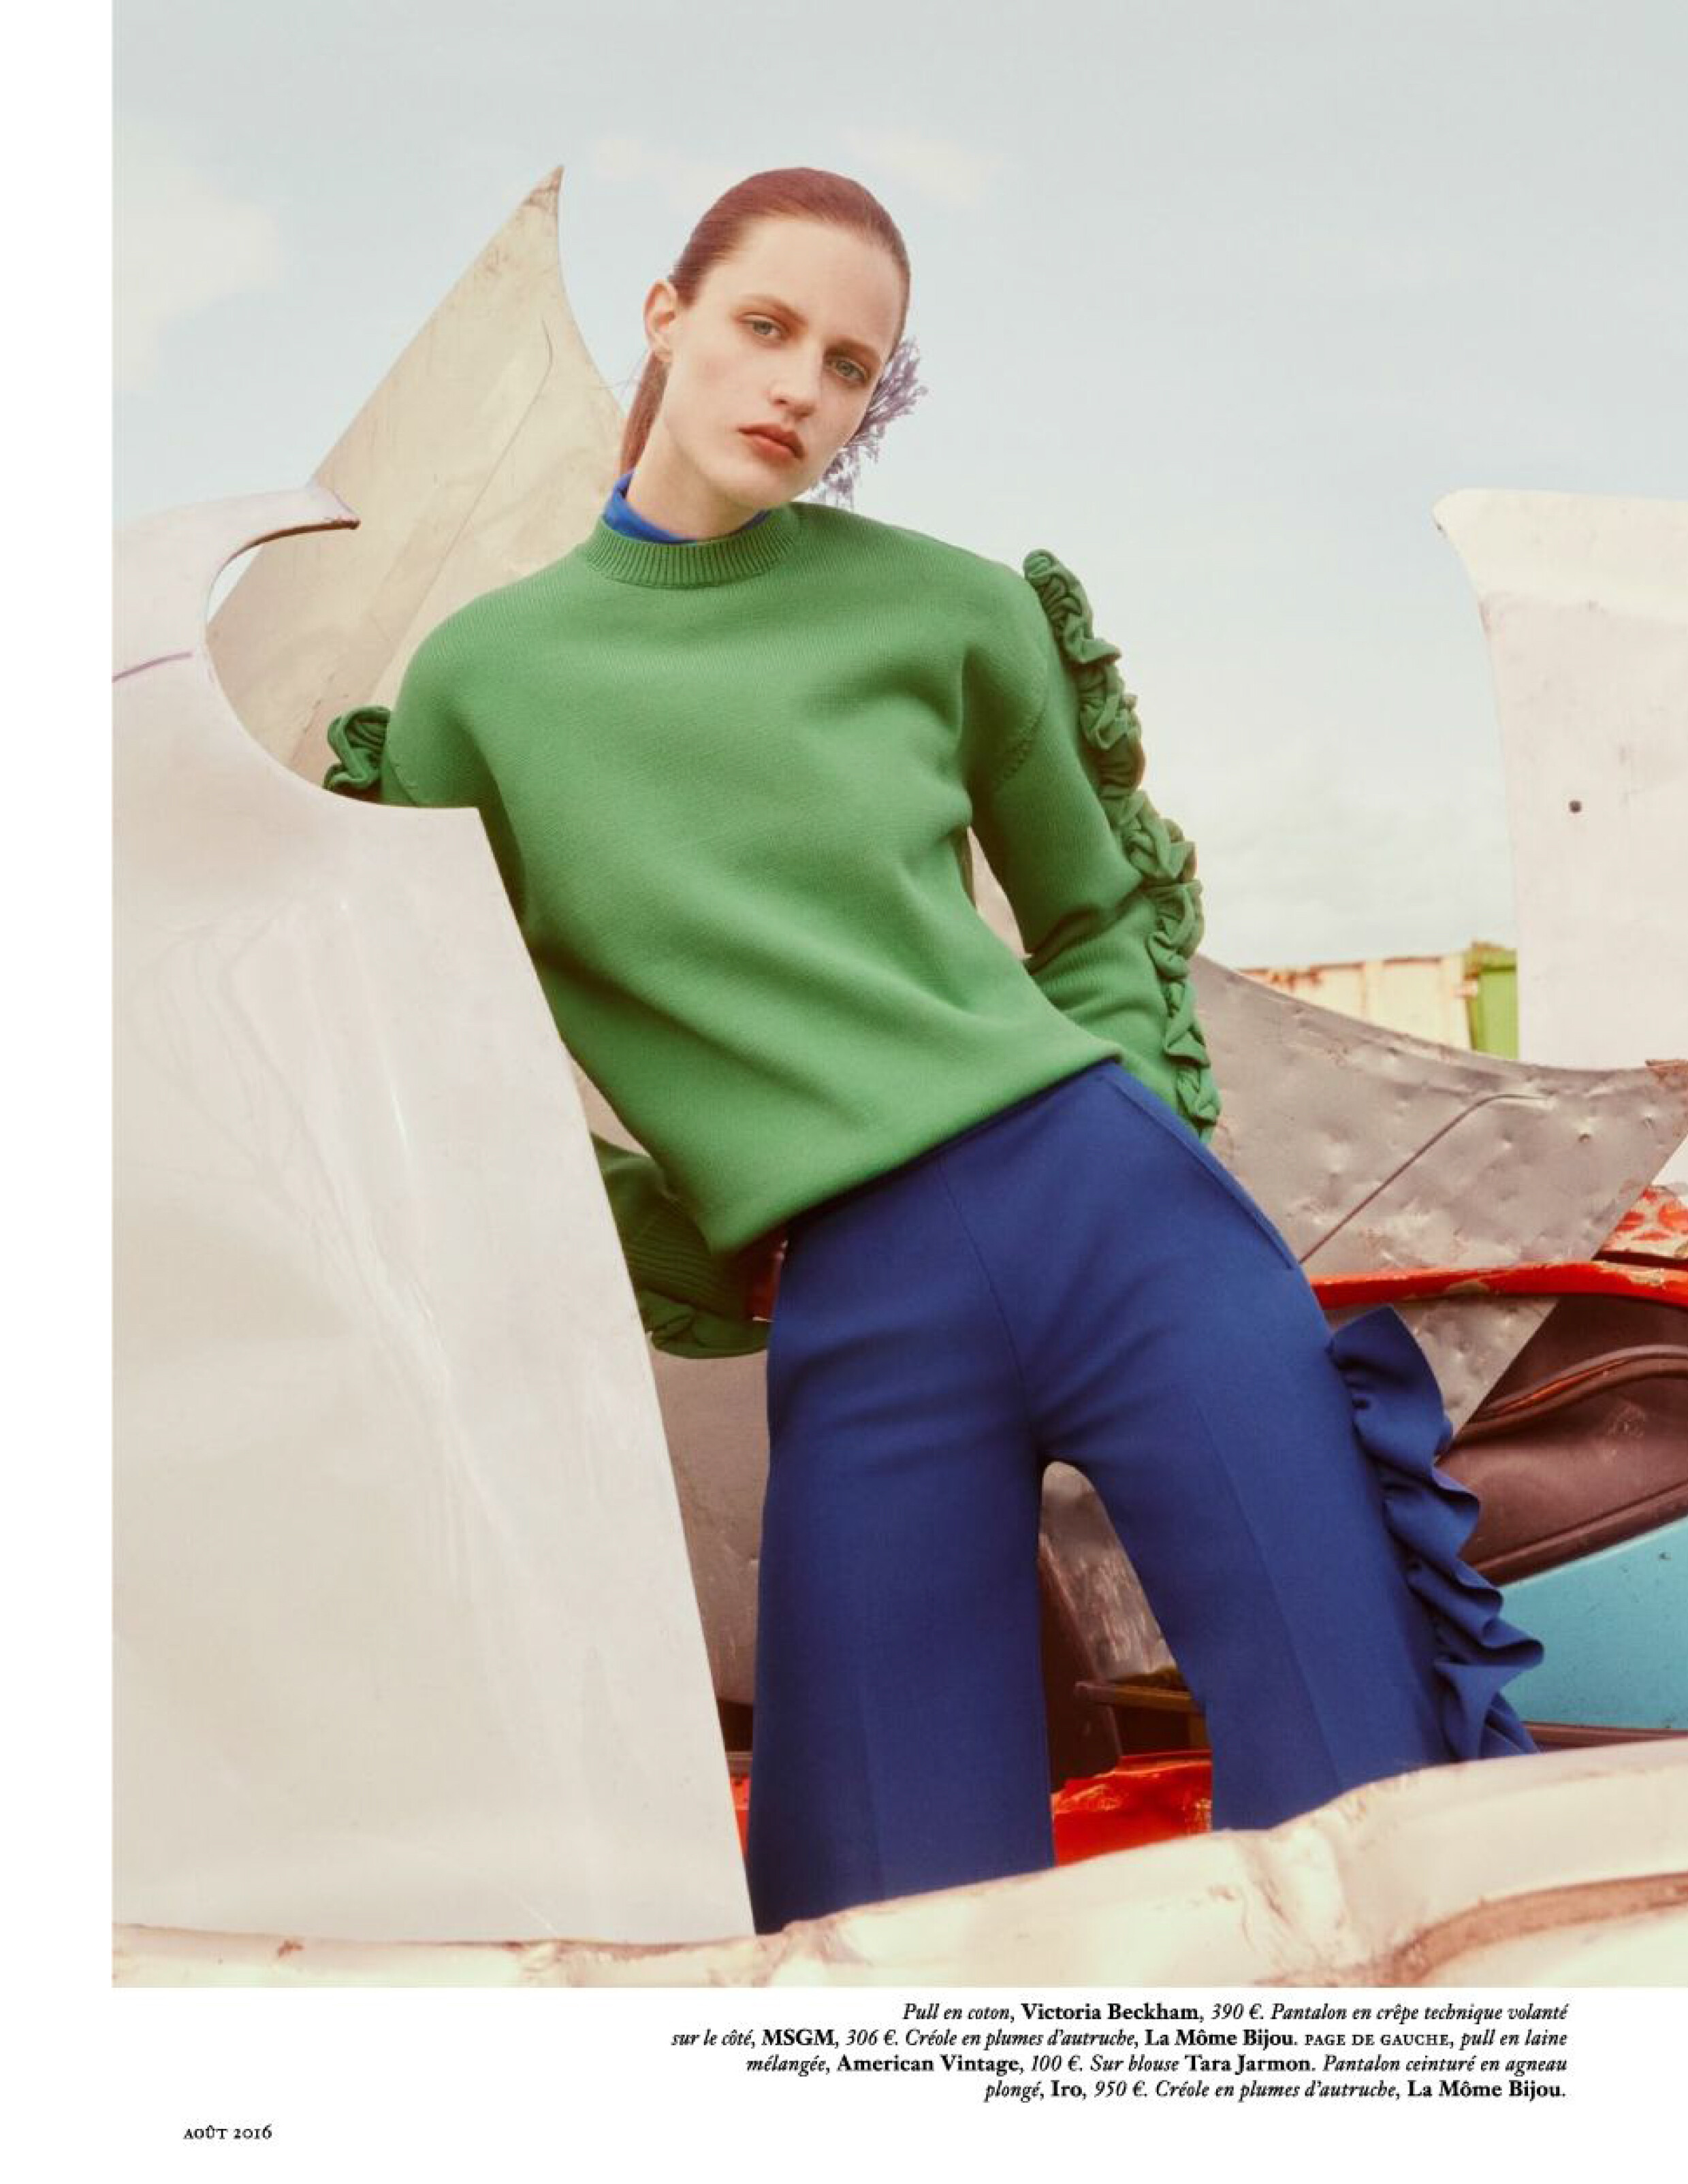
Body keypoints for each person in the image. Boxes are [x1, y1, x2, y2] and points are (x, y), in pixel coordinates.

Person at [325, 167, 1542, 1936]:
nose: (799, 389)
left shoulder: (952, 610)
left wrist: (1137, 1108)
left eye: (849, 366)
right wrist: (680, 1244)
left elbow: (1097, 912)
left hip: (1119, 1217)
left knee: (1359, 1774)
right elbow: (421, 1059)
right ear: (665, 316)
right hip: (864, 1289)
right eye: (765, 327)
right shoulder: (480, 687)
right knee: (888, 1895)